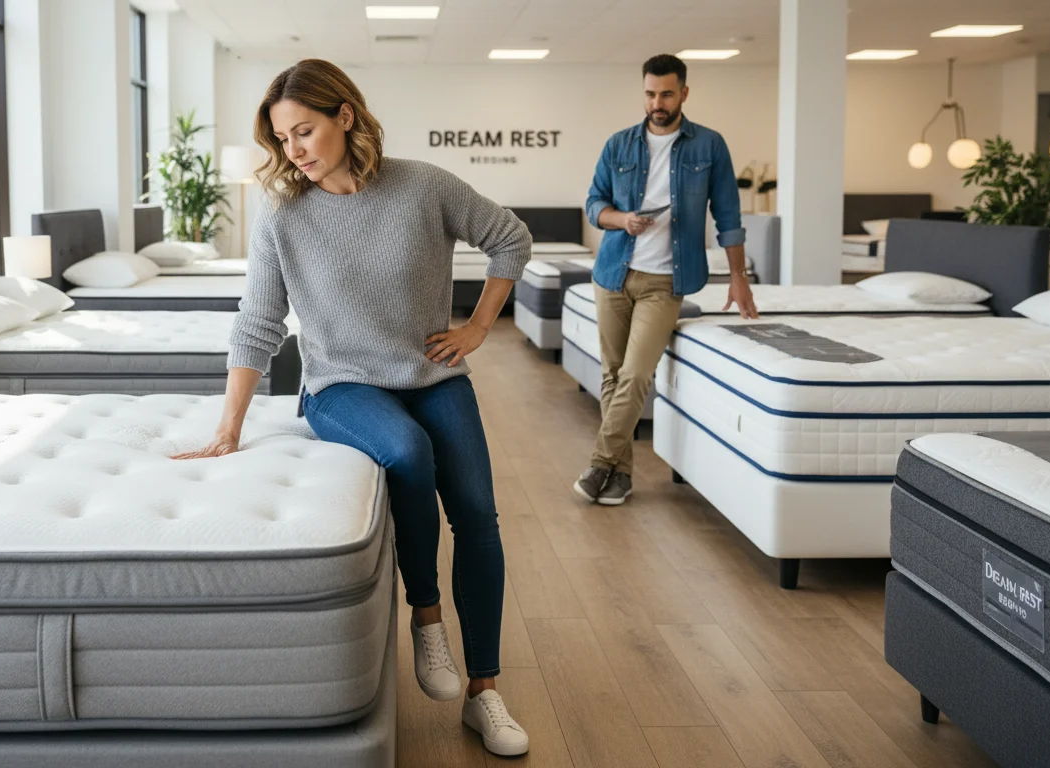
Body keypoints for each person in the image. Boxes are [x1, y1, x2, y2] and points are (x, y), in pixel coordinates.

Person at [172, 59, 531, 757]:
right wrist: (228, 427)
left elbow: (509, 238)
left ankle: (485, 693)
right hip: (340, 386)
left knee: (479, 515)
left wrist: (479, 326)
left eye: (303, 130)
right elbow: (258, 324)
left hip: (433, 373)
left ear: (344, 115)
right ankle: (426, 616)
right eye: (281, 140)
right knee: (406, 451)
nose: (293, 150)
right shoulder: (284, 220)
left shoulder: (423, 185)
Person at [573, 53, 759, 506]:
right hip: (613, 274)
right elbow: (593, 203)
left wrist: (738, 275)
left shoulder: (708, 146)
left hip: (664, 282)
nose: (658, 102)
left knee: (636, 374)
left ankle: (600, 462)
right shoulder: (618, 144)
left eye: (667, 93)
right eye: (651, 93)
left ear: (684, 93)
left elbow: (729, 216)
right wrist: (622, 219)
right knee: (613, 375)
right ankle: (621, 475)